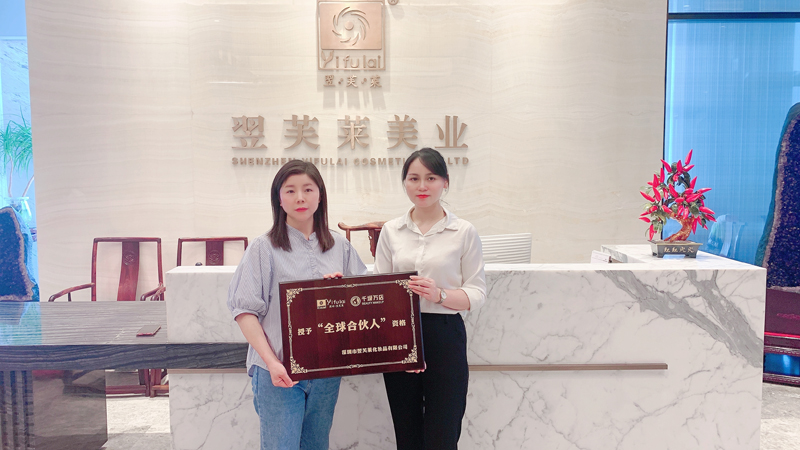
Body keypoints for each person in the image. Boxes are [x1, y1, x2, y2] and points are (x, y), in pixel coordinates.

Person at [227, 160, 367, 450]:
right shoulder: (263, 248)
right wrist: (272, 363)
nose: (300, 198)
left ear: (320, 195)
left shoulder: (339, 246)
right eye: (290, 191)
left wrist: (341, 292)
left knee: (316, 445)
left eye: (308, 189)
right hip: (279, 372)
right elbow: (245, 311)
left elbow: (363, 303)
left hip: (326, 373)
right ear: (279, 199)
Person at [374, 148, 487, 450]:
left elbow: (477, 292)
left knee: (443, 432)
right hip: (399, 335)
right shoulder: (391, 231)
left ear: (445, 182)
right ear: (405, 183)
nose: (422, 186)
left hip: (444, 335)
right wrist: (403, 345)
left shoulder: (463, 232)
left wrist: (440, 295)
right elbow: (379, 291)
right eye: (414, 178)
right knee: (407, 432)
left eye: (431, 178)